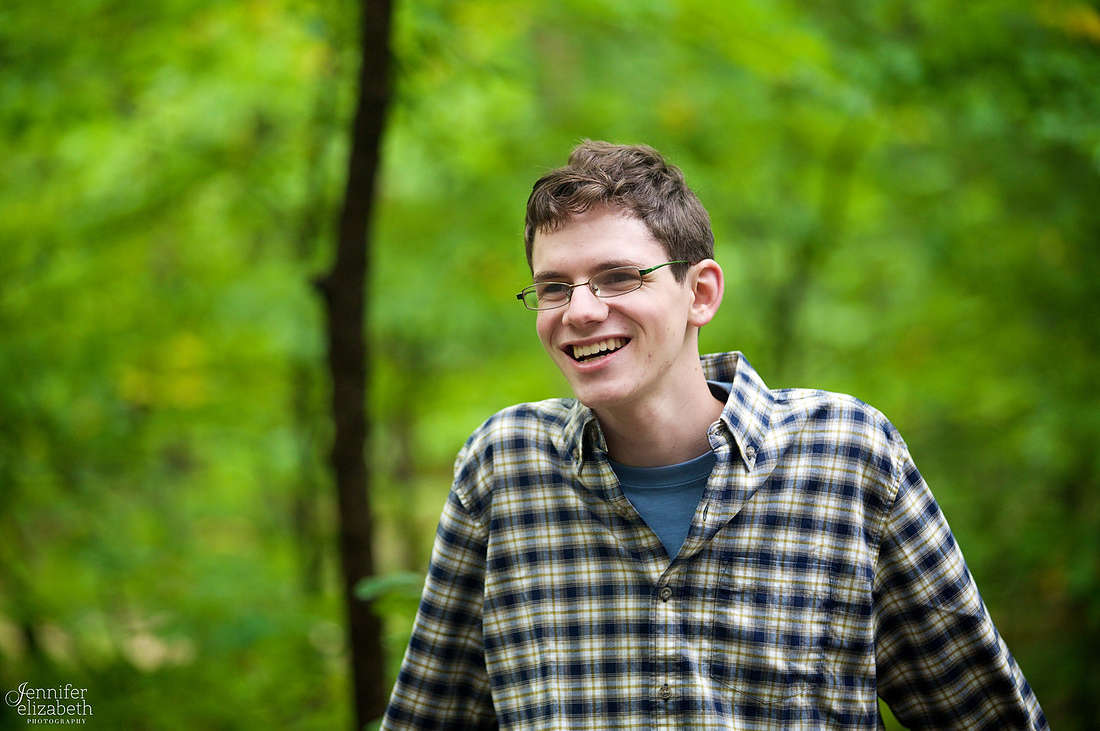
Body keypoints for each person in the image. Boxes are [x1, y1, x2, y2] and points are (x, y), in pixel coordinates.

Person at [380, 141, 1048, 729]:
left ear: (700, 292)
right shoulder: (504, 468)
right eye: (554, 288)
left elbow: (985, 713)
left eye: (617, 277)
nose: (580, 311)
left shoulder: (847, 454)